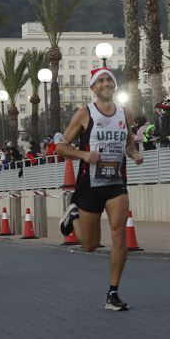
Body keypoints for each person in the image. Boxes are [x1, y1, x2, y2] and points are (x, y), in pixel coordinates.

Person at [57, 67, 144, 311]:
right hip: (90, 184)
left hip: (116, 182)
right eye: (101, 80)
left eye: (109, 80)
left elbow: (128, 145)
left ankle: (113, 294)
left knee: (119, 235)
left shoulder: (125, 113)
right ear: (94, 88)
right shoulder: (85, 113)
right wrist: (83, 153)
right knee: (90, 245)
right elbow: (60, 148)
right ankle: (73, 216)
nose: (106, 83)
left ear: (114, 86)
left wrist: (135, 154)